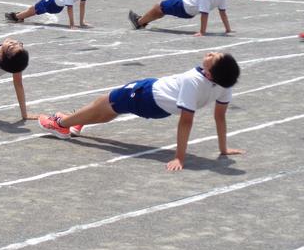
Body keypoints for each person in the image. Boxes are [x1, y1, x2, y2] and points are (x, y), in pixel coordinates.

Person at [37, 52, 242, 171]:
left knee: (106, 102)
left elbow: (186, 121)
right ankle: (77, 121)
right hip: (154, 97)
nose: (211, 54)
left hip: (146, 96)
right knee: (110, 106)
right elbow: (220, 117)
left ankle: (60, 125)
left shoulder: (194, 81)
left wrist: (179, 157)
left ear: (210, 73)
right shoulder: (224, 85)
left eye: (214, 58)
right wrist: (223, 149)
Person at [128, 0, 234, 37]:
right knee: (161, 10)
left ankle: (139, 22)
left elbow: (205, 14)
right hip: (186, 7)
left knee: (159, 7)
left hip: (182, 5)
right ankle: (143, 21)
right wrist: (228, 29)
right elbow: (223, 13)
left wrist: (202, 32)